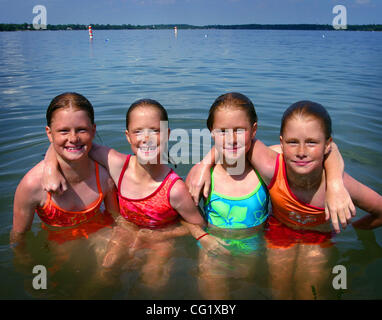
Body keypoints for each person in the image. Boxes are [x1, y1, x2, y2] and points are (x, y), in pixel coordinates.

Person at [188, 97, 382, 299]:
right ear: (282, 143)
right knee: (279, 292)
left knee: (311, 292)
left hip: (318, 239)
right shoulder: (271, 165)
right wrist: (204, 164)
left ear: (326, 145)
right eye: (292, 143)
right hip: (278, 232)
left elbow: (378, 207)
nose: (301, 152)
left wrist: (352, 219)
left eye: (311, 143)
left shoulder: (338, 184)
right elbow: (230, 143)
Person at [43, 98, 205, 291]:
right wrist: (50, 167)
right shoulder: (118, 165)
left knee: (153, 284)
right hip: (124, 230)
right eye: (138, 131)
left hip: (160, 239)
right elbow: (72, 145)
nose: (147, 138)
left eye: (155, 130)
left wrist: (158, 236)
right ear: (128, 136)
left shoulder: (174, 188)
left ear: (167, 134)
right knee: (107, 269)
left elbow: (198, 225)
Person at [11, 92, 119, 277]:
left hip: (99, 236)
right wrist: (28, 266)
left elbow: (117, 219)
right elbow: (19, 238)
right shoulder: (32, 186)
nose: (73, 138)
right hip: (58, 246)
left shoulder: (104, 176)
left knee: (113, 273)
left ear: (93, 130)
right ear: (49, 133)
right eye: (63, 131)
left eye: (81, 130)